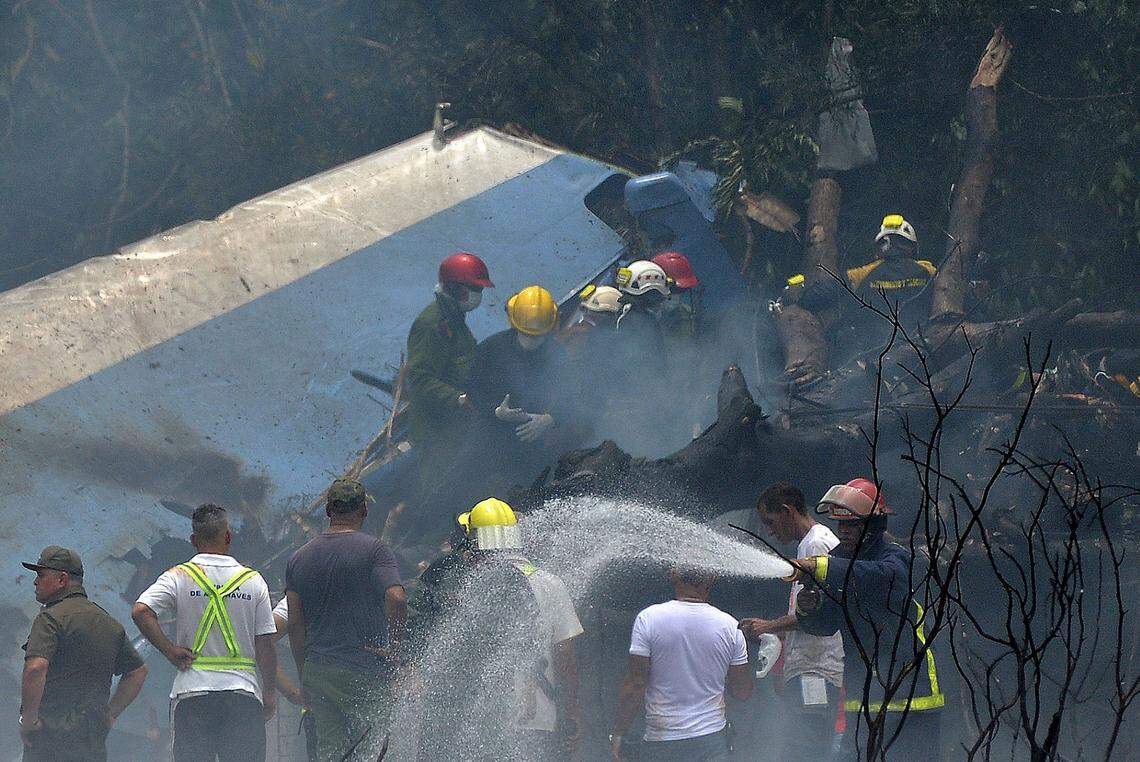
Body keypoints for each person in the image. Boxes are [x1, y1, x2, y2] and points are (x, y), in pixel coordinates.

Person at [792, 478, 944, 759]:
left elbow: (881, 578)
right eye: (841, 525)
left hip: (911, 695)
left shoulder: (895, 558)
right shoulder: (836, 560)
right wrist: (809, 608)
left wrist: (821, 566)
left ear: (873, 526)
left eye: (852, 525)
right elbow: (826, 624)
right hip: (863, 697)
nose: (844, 531)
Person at [133, 504, 277, 762]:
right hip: (242, 695)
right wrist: (269, 691)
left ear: (193, 540)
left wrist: (169, 650)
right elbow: (265, 642)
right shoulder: (253, 581)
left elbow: (141, 611)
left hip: (192, 695)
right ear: (228, 537)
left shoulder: (179, 576)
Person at [285, 478, 407, 762]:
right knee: (376, 747)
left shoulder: (298, 558)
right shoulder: (375, 550)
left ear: (328, 510)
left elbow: (294, 623)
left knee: (330, 752)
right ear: (364, 510)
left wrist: (305, 672)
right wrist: (396, 648)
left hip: (319, 670)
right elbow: (397, 599)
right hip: (364, 669)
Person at [738, 482, 844, 758]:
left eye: (770, 522)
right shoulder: (808, 544)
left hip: (818, 671)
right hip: (810, 670)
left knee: (806, 750)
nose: (770, 531)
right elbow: (807, 613)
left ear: (787, 511)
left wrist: (767, 626)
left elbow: (819, 614)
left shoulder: (817, 543)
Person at [610, 566, 753, 762]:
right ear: (711, 579)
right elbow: (743, 691)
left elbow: (635, 685)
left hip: (662, 741)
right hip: (711, 741)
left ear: (673, 574)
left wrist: (619, 733)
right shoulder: (730, 626)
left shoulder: (649, 619)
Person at [19, 546, 149, 761]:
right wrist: (110, 715)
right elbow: (138, 672)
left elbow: (35, 669)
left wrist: (29, 720)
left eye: (41, 575)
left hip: (48, 736)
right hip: (90, 738)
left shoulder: (50, 618)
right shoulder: (109, 623)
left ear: (62, 579)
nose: (35, 582)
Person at [405, 252, 494, 532]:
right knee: (437, 491)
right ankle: (422, 542)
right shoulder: (432, 325)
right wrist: (458, 399)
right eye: (475, 288)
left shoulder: (454, 318)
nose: (479, 295)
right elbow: (418, 378)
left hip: (452, 423)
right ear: (456, 289)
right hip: (435, 427)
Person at [652, 251, 702, 339]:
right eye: (674, 290)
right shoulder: (637, 321)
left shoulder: (688, 315)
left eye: (682, 290)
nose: (678, 296)